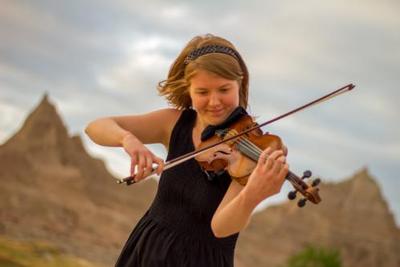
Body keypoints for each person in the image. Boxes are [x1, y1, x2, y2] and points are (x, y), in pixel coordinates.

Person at [85, 34, 288, 267]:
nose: (214, 101)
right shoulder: (174, 123)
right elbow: (95, 127)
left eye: (224, 89)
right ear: (188, 90)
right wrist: (127, 139)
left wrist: (253, 195)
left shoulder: (250, 148)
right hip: (147, 250)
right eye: (202, 92)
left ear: (240, 84)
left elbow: (221, 227)